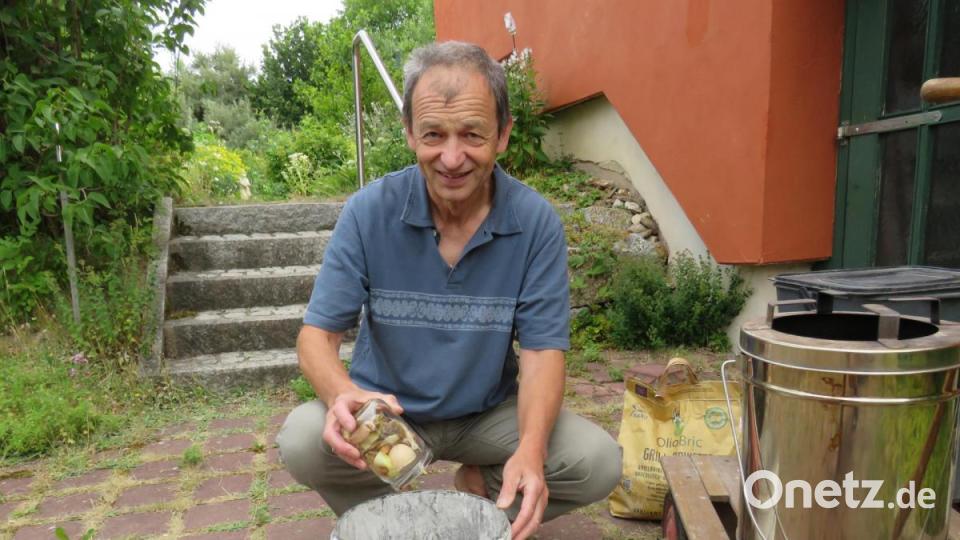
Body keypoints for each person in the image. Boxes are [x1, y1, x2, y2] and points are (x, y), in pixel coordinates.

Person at [277, 41, 622, 540]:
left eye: (472, 134)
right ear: (409, 133)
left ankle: (478, 498)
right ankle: (391, 522)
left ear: (503, 135)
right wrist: (342, 394)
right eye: (433, 134)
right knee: (304, 439)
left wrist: (529, 446)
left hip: (486, 415)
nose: (452, 157)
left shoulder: (534, 222)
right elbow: (316, 336)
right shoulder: (368, 212)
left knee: (596, 461)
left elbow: (543, 352)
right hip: (390, 415)